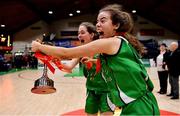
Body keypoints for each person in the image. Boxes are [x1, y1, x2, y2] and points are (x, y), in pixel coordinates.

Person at [31, 4, 160, 115]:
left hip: (139, 105)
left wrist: (39, 46)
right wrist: (52, 57)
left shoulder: (111, 42)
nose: (98, 24)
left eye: (103, 21)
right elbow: (67, 60)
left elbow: (66, 53)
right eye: (97, 21)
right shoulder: (117, 44)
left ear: (116, 25)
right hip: (131, 103)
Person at [59, 22, 114, 115]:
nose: (79, 35)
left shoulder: (102, 47)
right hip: (91, 89)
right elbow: (69, 66)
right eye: (78, 33)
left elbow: (110, 64)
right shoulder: (81, 51)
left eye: (82, 33)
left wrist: (92, 61)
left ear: (91, 34)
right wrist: (54, 60)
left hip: (106, 90)